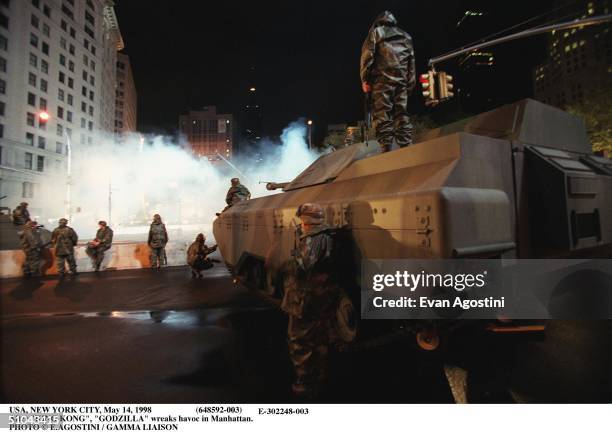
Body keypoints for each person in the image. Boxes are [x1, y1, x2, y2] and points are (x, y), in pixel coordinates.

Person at [281, 202, 343, 399]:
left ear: (305, 220)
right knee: (320, 338)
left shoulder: (312, 238)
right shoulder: (329, 235)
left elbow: (303, 264)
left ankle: (305, 384)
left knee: (299, 340)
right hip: (322, 296)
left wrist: (285, 260)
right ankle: (321, 377)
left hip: (306, 298)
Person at [360, 10, 416, 152]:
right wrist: (410, 84)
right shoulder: (406, 36)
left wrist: (365, 79)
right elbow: (412, 64)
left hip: (381, 80)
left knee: (382, 113)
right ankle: (406, 146)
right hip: (401, 82)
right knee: (401, 113)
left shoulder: (376, 33)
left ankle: (386, 147)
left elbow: (367, 57)